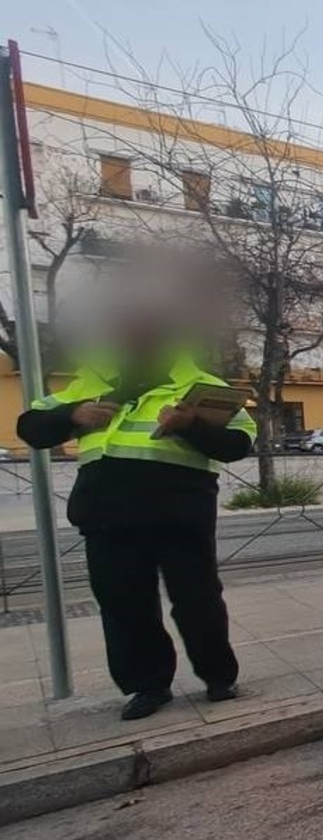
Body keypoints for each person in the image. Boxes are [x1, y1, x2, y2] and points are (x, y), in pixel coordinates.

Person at [14, 273, 256, 721]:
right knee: (125, 606)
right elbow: (30, 426)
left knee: (198, 599)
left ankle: (219, 677)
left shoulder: (200, 384)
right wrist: (74, 413)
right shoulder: (92, 379)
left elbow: (240, 443)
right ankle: (148, 686)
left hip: (180, 513)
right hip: (108, 514)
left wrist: (192, 427)